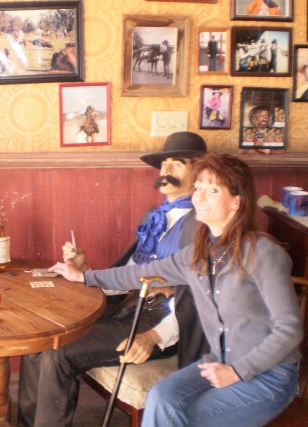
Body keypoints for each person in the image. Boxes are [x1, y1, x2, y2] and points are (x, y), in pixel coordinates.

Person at [52, 152, 302, 427]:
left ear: (236, 202)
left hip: (268, 375)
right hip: (218, 362)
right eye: (198, 187)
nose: (200, 197)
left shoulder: (264, 253)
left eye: (213, 190)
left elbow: (290, 329)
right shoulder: (196, 254)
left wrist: (238, 371)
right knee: (161, 397)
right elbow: (139, 273)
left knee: (178, 416)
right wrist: (84, 276)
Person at [17, 132, 209, 427]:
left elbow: (197, 299)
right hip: (128, 308)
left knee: (58, 354)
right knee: (40, 340)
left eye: (178, 163)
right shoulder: (153, 216)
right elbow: (129, 275)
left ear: (200, 172)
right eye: (164, 163)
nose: (167, 169)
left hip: (162, 321)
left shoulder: (203, 224)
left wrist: (155, 336)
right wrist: (85, 271)